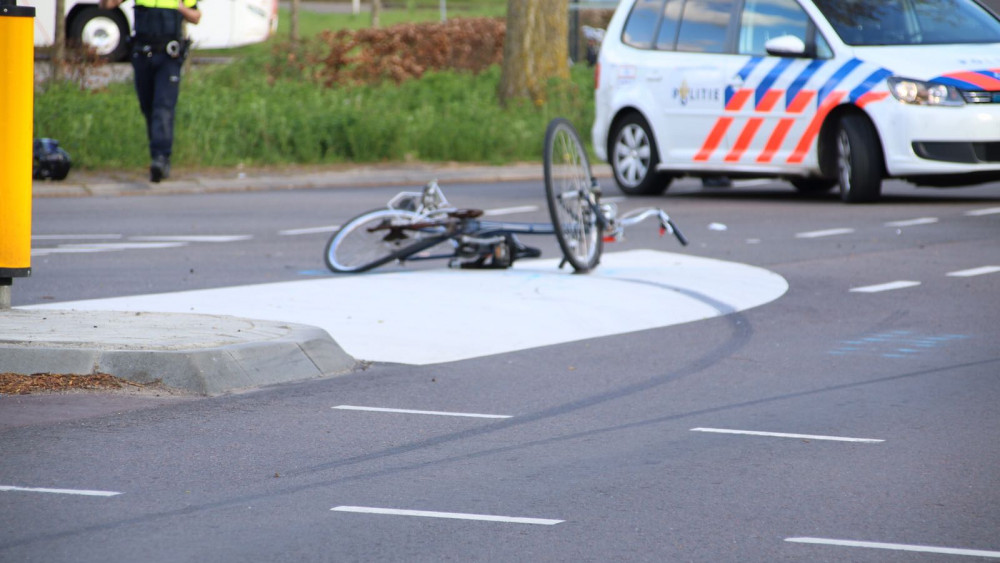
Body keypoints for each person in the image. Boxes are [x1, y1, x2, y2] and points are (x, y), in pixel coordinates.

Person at [98, 0, 201, 183]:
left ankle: (161, 159)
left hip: (169, 57)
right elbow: (106, 5)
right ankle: (158, 154)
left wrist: (180, 7)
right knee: (148, 107)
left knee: (163, 107)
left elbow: (196, 17)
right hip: (143, 55)